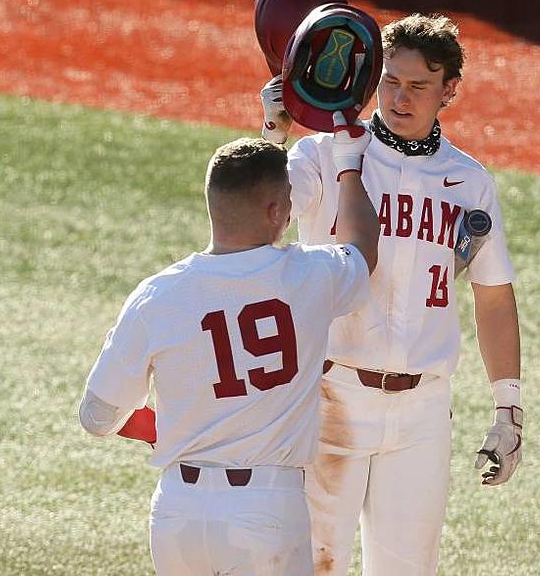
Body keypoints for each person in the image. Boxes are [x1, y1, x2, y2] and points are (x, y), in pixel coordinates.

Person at [260, 13, 522, 575]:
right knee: (309, 564)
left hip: (423, 408)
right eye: (390, 82)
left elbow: (494, 294)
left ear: (450, 90)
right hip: (331, 395)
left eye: (419, 86)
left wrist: (509, 409)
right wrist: (274, 134)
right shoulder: (324, 155)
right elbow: (257, 223)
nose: (400, 98)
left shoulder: (469, 180)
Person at [78, 122, 379, 575]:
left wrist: (175, 426)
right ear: (278, 208)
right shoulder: (311, 275)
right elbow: (363, 249)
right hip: (267, 511)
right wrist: (349, 166)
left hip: (178, 512)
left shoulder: (157, 294)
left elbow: (98, 418)